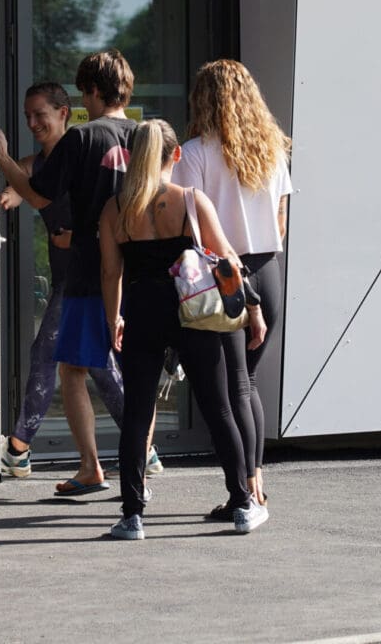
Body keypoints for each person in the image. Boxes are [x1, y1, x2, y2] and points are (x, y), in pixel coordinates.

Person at [0, 51, 160, 495]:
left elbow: (39, 196)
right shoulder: (147, 136)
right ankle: (139, 466)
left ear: (91, 91)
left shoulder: (83, 137)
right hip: (142, 269)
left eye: (84, 93)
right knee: (138, 372)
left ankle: (89, 467)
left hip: (89, 270)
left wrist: (3, 159)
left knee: (73, 370)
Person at [100, 119, 268, 539]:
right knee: (218, 408)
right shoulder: (191, 200)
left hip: (142, 312)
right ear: (175, 154)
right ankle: (242, 504)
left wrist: (114, 318)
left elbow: (110, 272)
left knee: (138, 413)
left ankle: (132, 515)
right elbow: (227, 260)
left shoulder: (115, 209)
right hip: (192, 312)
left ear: (131, 156)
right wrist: (254, 309)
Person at [172, 59, 292, 517]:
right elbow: (280, 222)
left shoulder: (195, 153)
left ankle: (243, 493)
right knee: (247, 383)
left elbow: (192, 227)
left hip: (224, 275)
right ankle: (255, 483)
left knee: (231, 389)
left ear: (203, 99)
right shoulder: (272, 151)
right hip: (268, 269)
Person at [0, 82, 128, 483]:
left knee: (49, 355)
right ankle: (144, 445)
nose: (32, 123)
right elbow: (25, 186)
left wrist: (77, 235)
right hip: (67, 277)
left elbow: (56, 200)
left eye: (40, 115)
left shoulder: (80, 152)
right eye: (27, 116)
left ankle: (19, 448)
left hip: (83, 277)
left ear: (63, 113)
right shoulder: (39, 163)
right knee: (95, 365)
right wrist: (7, 193)